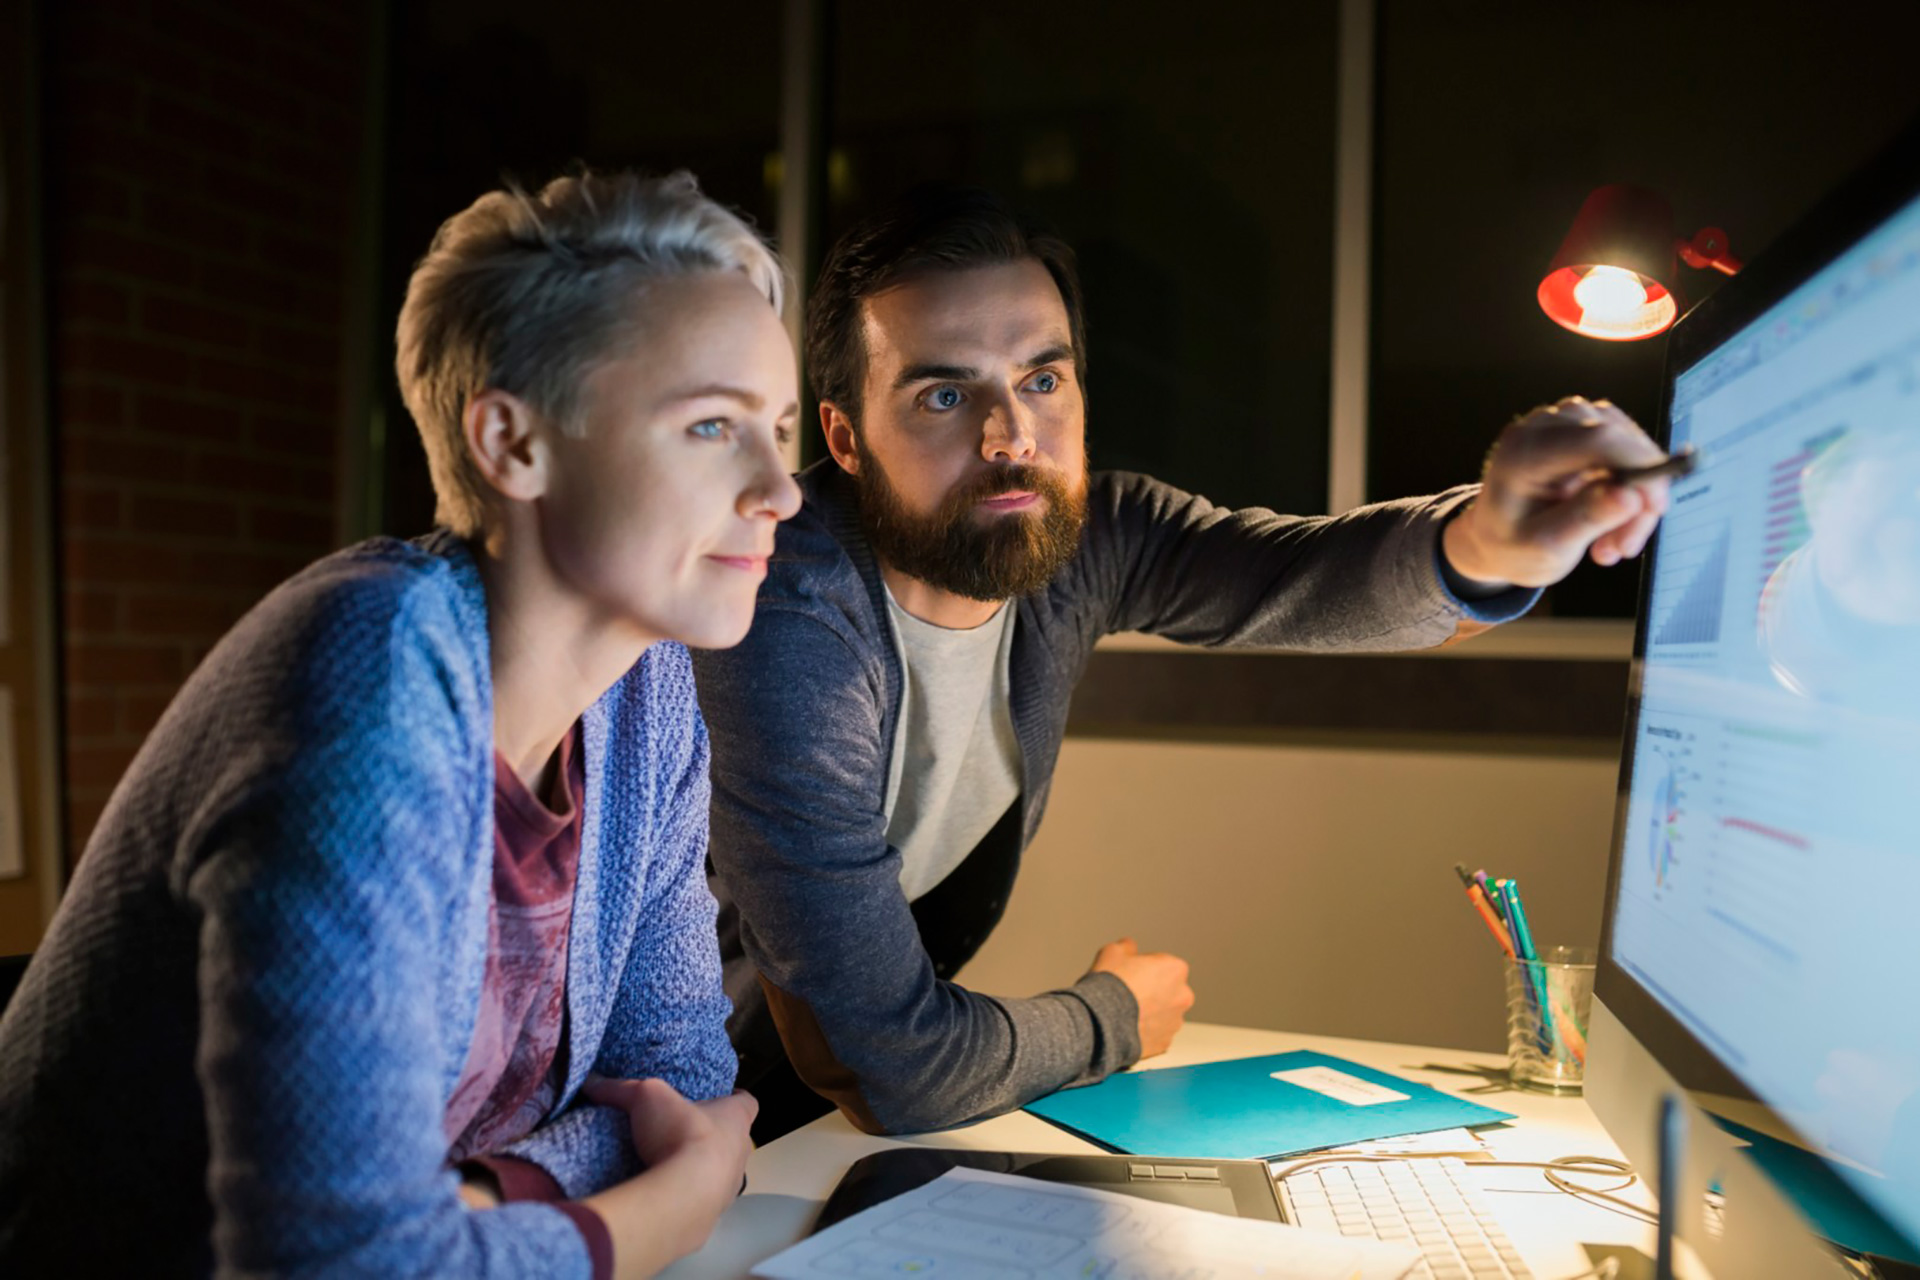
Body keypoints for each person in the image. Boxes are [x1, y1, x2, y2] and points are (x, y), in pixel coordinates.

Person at [691, 185, 1673, 1140]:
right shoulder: (783, 611)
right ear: (843, 435)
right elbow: (888, 1063)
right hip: (688, 1116)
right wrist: (1112, 1011)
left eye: (1041, 378)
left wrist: (1496, 539)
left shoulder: (1088, 539)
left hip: (832, 1129)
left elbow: (1309, 574)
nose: (1011, 438)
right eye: (946, 393)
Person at [0, 171, 801, 1278]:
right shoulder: (371, 676)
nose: (781, 488)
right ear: (512, 443)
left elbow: (689, 1088)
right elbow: (338, 1267)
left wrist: (471, 1202)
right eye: (713, 424)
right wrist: (672, 1201)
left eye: (782, 427)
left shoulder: (649, 695)